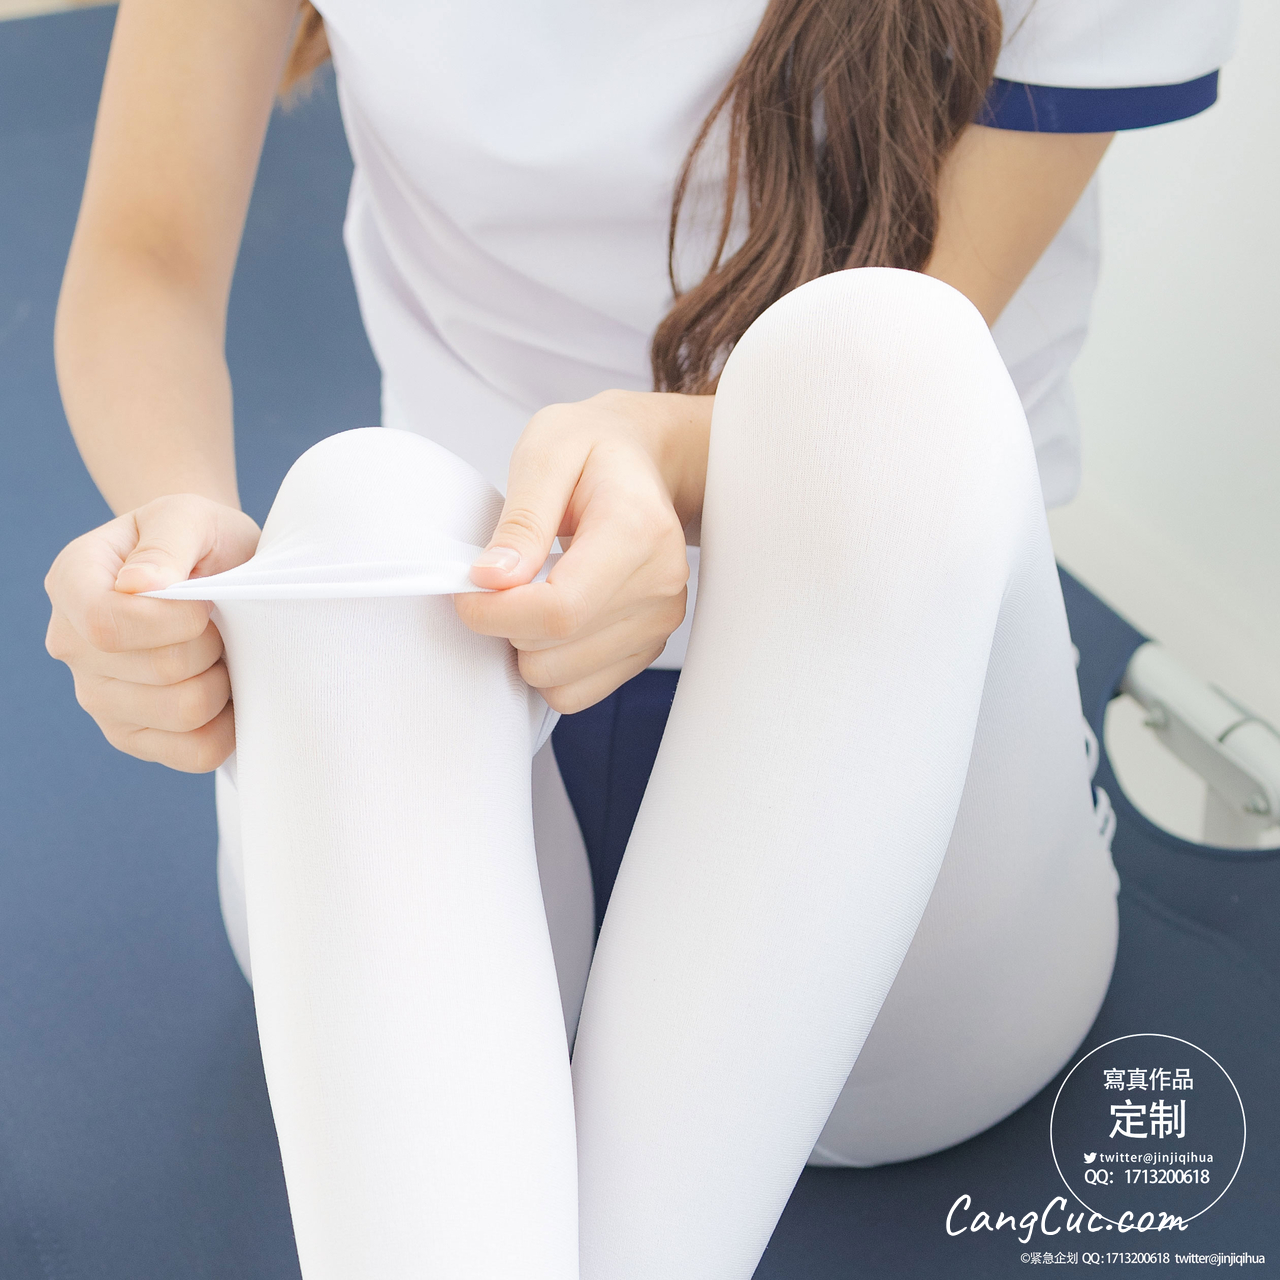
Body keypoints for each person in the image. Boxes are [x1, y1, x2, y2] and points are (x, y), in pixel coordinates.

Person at [42, 1, 1238, 1276]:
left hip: (876, 741)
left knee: (891, 357)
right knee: (358, 497)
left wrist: (657, 455)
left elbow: (901, 410)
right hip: (447, 713)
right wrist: (176, 545)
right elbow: (145, 255)